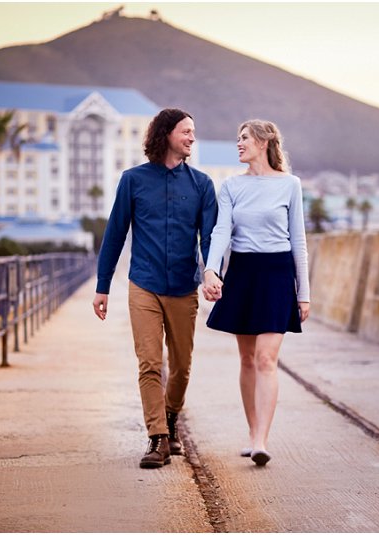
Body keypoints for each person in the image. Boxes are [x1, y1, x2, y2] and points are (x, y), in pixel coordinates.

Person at [93, 108, 217, 469]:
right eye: (186, 131)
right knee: (149, 362)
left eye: (194, 132)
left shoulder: (202, 185)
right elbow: (115, 234)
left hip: (183, 286)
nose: (192, 137)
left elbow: (208, 237)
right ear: (166, 134)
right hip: (143, 284)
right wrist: (103, 286)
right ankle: (158, 438)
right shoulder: (133, 180)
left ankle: (171, 414)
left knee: (181, 366)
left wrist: (211, 272)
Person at [202, 119, 310, 467]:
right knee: (247, 359)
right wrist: (211, 269)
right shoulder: (231, 186)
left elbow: (299, 242)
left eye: (244, 138)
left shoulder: (290, 185)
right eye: (238, 138)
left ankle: (262, 439)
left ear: (264, 142)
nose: (238, 143)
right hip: (243, 273)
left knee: (266, 358)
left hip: (277, 275)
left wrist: (303, 293)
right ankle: (252, 434)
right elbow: (221, 231)